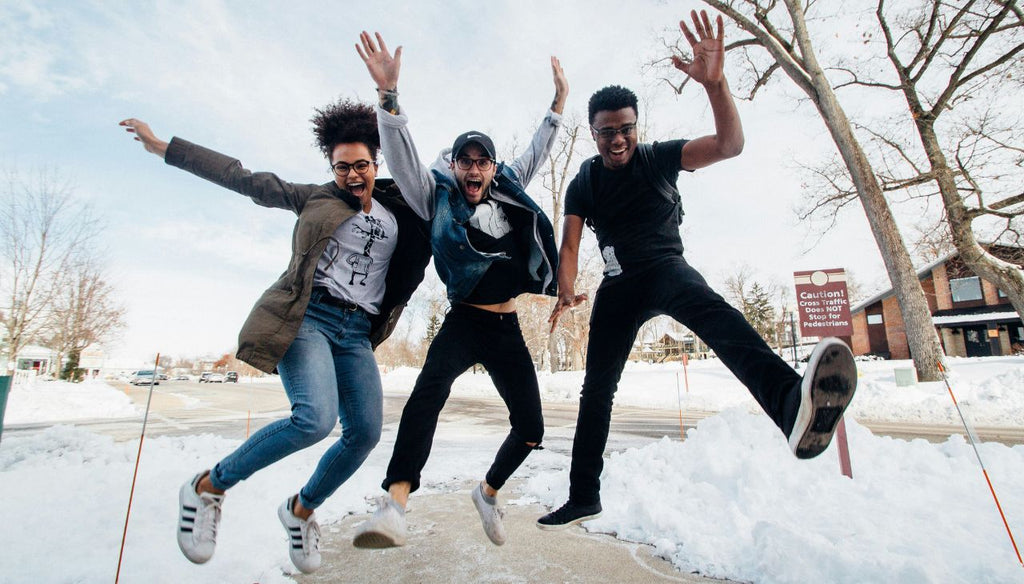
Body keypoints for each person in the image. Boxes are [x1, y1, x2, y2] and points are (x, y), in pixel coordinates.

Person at [539, 10, 858, 529]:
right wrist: (566, 289)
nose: (616, 141)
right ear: (592, 132)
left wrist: (715, 85)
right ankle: (583, 494)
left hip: (665, 268)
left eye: (625, 129)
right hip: (618, 287)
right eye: (605, 133)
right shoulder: (585, 181)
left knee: (719, 318)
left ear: (636, 127)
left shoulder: (660, 158)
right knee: (597, 389)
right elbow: (570, 242)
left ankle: (790, 405)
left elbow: (730, 145)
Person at [119, 101, 430, 573]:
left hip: (356, 333)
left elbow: (438, 197)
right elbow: (241, 177)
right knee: (314, 419)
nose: (351, 175)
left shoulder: (399, 209)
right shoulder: (314, 198)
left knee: (364, 433)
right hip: (306, 318)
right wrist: (167, 148)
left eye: (360, 165)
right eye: (341, 167)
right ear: (332, 168)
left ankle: (300, 511)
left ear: (376, 164)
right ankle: (208, 486)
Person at [351, 31, 566, 547]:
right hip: (464, 319)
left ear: (492, 168)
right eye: (465, 161)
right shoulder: (436, 197)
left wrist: (558, 104)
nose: (473, 169)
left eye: (481, 162)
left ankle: (488, 492)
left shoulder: (509, 186)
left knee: (532, 428)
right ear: (455, 167)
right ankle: (395, 504)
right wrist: (389, 100)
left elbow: (538, 151)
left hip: (506, 324)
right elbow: (402, 160)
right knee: (426, 398)